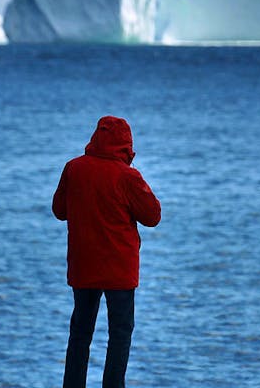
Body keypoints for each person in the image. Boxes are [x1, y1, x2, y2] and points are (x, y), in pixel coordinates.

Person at [52, 115, 161, 388]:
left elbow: (59, 210)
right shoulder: (128, 176)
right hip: (119, 269)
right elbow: (152, 216)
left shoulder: (73, 168)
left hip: (84, 264)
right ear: (126, 144)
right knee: (120, 334)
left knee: (80, 333)